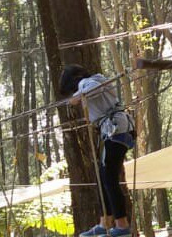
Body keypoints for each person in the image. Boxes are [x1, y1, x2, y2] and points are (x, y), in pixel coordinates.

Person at [59, 65, 135, 237]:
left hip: (116, 129)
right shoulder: (94, 81)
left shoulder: (88, 82)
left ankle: (122, 226)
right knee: (103, 179)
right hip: (114, 130)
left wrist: (78, 96)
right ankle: (105, 222)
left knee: (109, 178)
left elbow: (92, 88)